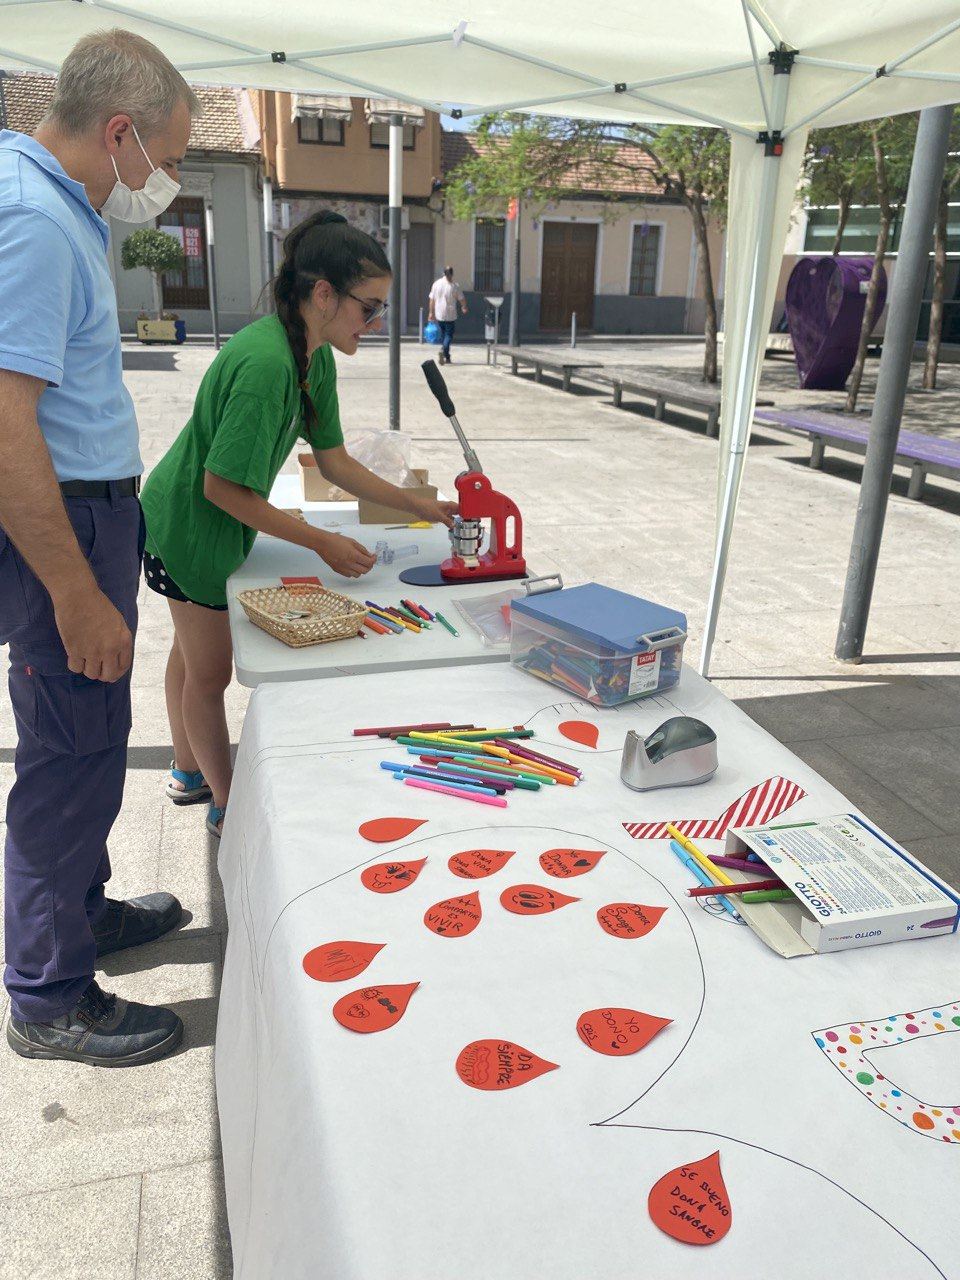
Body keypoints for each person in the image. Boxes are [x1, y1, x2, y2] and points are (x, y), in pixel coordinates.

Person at [0, 30, 198, 1067]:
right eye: (170, 157)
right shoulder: (33, 219)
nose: (168, 181)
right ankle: (48, 994)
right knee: (69, 757)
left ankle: (80, 911)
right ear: (121, 133)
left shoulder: (55, 203)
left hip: (85, 518)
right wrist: (76, 592)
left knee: (87, 743)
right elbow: (6, 426)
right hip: (60, 533)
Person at [140, 211, 457, 838]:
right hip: (187, 529)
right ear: (323, 294)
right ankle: (225, 803)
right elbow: (220, 487)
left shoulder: (312, 355)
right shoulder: (267, 365)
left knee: (190, 653)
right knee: (210, 673)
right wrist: (320, 542)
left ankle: (186, 768)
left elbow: (334, 461)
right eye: (369, 308)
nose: (375, 322)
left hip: (208, 522)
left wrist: (418, 505)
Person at [428, 265, 467, 364]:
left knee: (443, 335)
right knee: (448, 335)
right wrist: (464, 307)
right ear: (452, 274)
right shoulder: (454, 286)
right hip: (450, 315)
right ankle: (443, 351)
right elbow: (462, 299)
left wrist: (431, 312)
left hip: (439, 314)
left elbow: (432, 300)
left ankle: (447, 356)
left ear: (444, 273)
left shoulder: (436, 284)